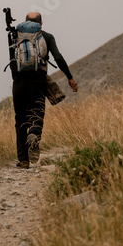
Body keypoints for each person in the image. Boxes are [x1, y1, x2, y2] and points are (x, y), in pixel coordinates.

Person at [11, 11, 78, 168]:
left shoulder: (16, 36)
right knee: (37, 112)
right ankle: (34, 133)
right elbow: (58, 57)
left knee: (20, 118)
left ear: (24, 22)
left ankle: (23, 160)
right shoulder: (46, 36)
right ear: (41, 24)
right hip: (38, 80)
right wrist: (69, 77)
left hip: (19, 82)